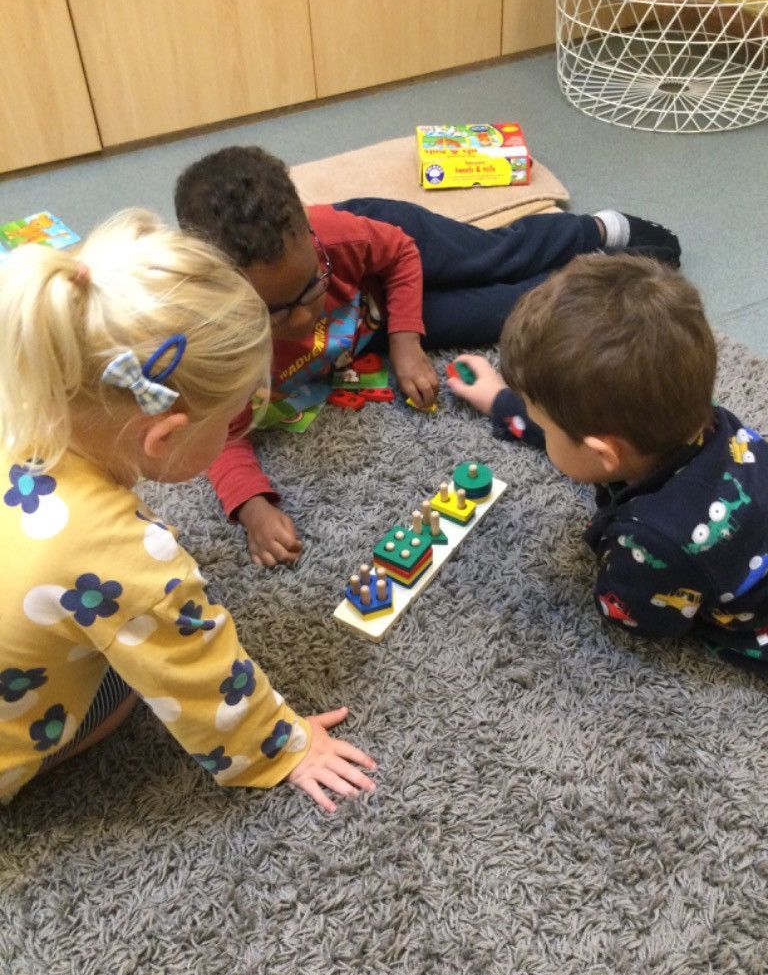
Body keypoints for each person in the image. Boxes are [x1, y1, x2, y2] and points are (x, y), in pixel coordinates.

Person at [0, 209, 376, 809]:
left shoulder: (25, 394)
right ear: (165, 436)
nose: (239, 427)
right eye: (230, 417)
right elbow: (199, 677)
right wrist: (286, 744)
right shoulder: (130, 562)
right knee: (125, 685)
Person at [173, 144, 681, 567]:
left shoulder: (340, 235)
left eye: (313, 287)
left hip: (395, 264)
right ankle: (606, 275)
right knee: (515, 309)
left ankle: (592, 231)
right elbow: (222, 432)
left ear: (309, 235)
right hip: (372, 324)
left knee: (488, 256)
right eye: (275, 312)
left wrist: (406, 342)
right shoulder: (217, 344)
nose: (305, 317)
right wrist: (252, 507)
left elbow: (399, 255)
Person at [447, 252, 768, 668]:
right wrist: (500, 402)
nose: (538, 422)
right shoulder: (689, 412)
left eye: (538, 414)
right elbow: (574, 430)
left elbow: (640, 619)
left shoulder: (654, 540)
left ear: (604, 453)